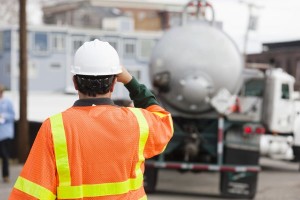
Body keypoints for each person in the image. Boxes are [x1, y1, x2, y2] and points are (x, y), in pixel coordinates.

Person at [9, 39, 173, 200]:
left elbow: (30, 195)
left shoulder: (55, 128)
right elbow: (163, 121)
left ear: (75, 82)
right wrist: (131, 82)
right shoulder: (137, 123)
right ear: (114, 83)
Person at [0, 84, 15, 183]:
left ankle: (6, 175)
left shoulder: (8, 102)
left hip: (5, 133)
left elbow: (12, 115)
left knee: (5, 155)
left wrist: (3, 116)